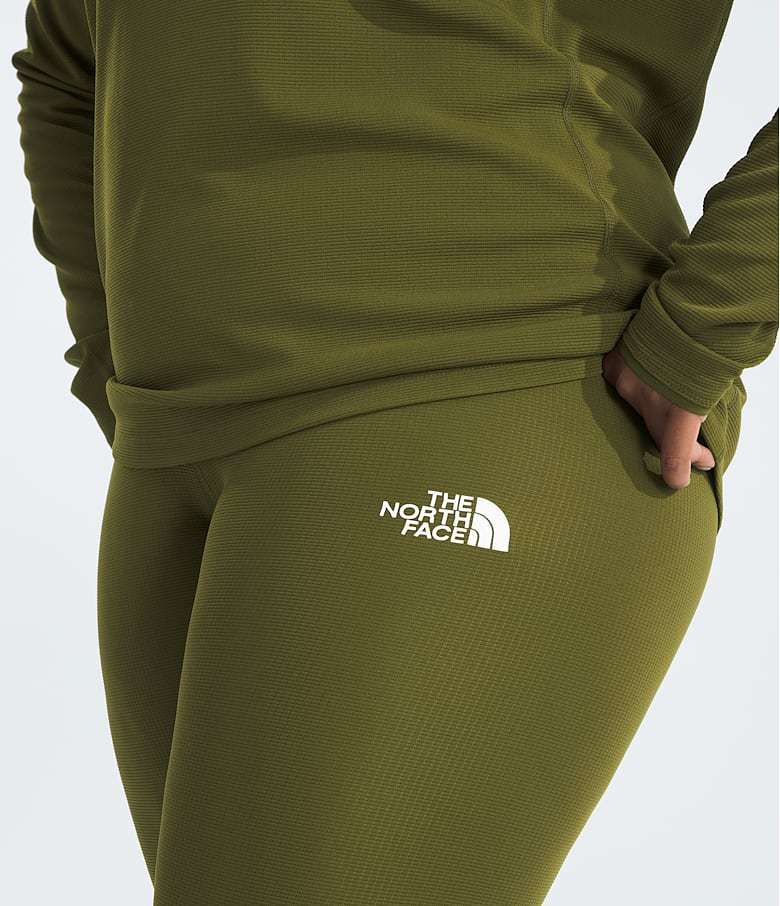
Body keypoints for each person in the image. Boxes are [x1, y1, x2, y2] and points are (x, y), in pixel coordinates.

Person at [11, 1, 777, 903]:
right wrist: (116, 353)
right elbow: (65, 62)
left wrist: (708, 321)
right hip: (171, 449)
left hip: (479, 391)